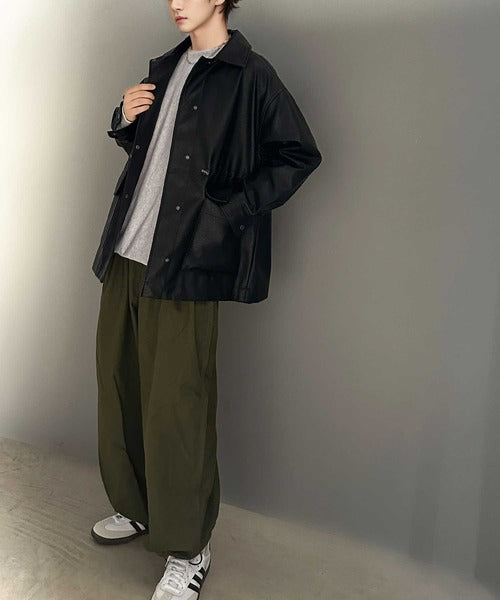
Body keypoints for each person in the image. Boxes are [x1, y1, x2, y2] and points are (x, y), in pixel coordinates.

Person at [91, 1, 322, 598]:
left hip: (185, 264)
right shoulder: (166, 67)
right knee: (119, 386)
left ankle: (188, 547)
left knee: (178, 407)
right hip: (128, 252)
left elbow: (299, 153)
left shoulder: (250, 74)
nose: (176, 2)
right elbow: (156, 157)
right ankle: (138, 507)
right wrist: (123, 118)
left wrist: (231, 210)